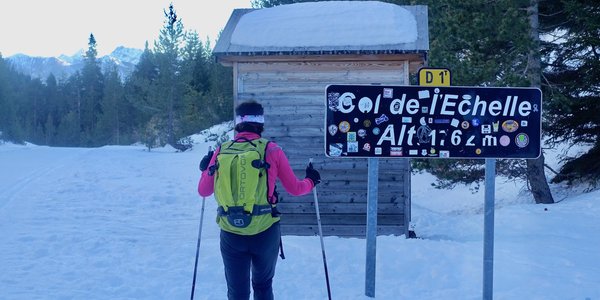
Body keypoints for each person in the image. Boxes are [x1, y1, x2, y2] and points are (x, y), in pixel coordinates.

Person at [198, 100, 321, 300]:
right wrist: (311, 180)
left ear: (237, 124)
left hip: (231, 232)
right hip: (265, 231)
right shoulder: (272, 150)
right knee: (263, 287)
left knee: (237, 293)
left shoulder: (222, 151)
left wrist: (205, 170)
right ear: (261, 124)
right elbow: (296, 189)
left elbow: (203, 191)